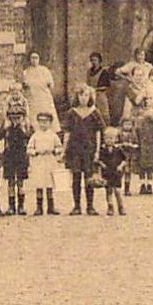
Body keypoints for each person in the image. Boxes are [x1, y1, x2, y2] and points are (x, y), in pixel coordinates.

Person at [63, 87, 106, 215]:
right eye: (81, 95)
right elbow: (67, 132)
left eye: (86, 95)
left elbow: (98, 132)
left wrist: (97, 150)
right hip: (74, 149)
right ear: (77, 97)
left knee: (89, 178)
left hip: (89, 149)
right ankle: (76, 206)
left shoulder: (94, 112)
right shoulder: (72, 113)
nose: (83, 98)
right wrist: (64, 150)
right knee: (76, 177)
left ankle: (90, 206)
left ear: (90, 97)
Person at [0, 97, 34, 216]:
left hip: (21, 156)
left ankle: (21, 206)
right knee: (11, 182)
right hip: (9, 155)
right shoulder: (7, 125)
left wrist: (23, 128)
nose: (15, 119)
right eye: (12, 116)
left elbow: (31, 137)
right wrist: (5, 127)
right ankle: (11, 206)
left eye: (18, 116)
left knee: (21, 182)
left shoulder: (26, 126)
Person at [27, 111, 64, 216]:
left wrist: (53, 151)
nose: (43, 124)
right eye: (41, 122)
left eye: (46, 122)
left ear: (50, 123)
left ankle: (51, 207)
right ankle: (39, 208)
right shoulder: (35, 136)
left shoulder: (53, 136)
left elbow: (59, 147)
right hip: (39, 162)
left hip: (49, 161)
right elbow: (29, 149)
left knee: (49, 184)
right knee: (39, 184)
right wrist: (36, 152)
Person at [134, 95, 153, 195]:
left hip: (150, 149)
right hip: (142, 148)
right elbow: (136, 134)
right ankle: (143, 185)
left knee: (149, 168)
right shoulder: (140, 125)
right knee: (142, 168)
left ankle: (149, 185)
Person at [97, 127, 129, 216]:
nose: (109, 140)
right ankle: (110, 206)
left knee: (118, 191)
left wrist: (120, 166)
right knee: (109, 190)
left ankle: (121, 206)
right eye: (107, 138)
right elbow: (99, 160)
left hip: (116, 173)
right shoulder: (102, 150)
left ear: (116, 139)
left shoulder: (118, 150)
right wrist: (102, 164)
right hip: (107, 172)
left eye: (111, 138)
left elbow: (124, 160)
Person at [21, 52, 58, 125]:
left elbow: (51, 84)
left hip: (44, 99)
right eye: (32, 58)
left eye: (36, 58)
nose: (34, 60)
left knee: (46, 115)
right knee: (33, 118)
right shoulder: (26, 72)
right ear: (30, 59)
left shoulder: (44, 70)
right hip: (32, 98)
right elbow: (24, 86)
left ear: (39, 59)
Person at [85, 52, 114, 126]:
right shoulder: (89, 72)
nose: (93, 62)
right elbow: (88, 83)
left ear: (99, 61)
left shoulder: (104, 72)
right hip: (90, 95)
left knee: (104, 115)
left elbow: (107, 86)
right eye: (92, 60)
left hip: (100, 96)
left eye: (95, 60)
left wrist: (96, 89)